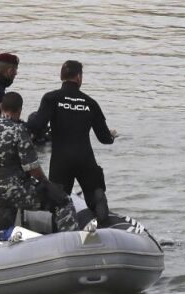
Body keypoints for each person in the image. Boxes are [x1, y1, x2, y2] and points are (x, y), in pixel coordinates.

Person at [0, 92, 79, 239]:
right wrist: (47, 184)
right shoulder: (19, 130)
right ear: (20, 110)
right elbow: (32, 168)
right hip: (17, 191)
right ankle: (70, 242)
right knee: (63, 202)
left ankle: (1, 245)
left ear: (1, 106)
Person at [27, 60, 117, 224]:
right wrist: (111, 136)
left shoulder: (51, 98)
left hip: (61, 159)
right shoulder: (90, 103)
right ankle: (101, 214)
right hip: (85, 158)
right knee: (93, 192)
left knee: (58, 200)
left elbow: (37, 126)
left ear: (61, 76)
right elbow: (104, 138)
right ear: (78, 77)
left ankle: (61, 233)